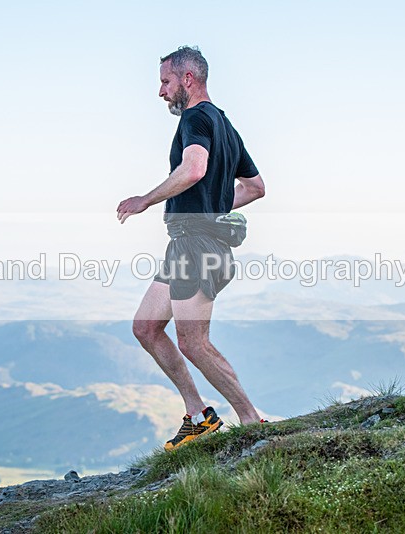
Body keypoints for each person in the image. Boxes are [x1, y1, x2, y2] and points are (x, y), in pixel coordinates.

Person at [117, 46, 266, 451]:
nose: (161, 92)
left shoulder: (196, 117)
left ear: (187, 79)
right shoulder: (225, 125)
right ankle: (199, 414)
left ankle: (252, 420)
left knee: (193, 341)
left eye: (165, 82)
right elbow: (255, 188)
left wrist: (144, 200)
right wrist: (213, 206)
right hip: (190, 243)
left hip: (196, 246)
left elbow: (194, 168)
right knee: (146, 328)